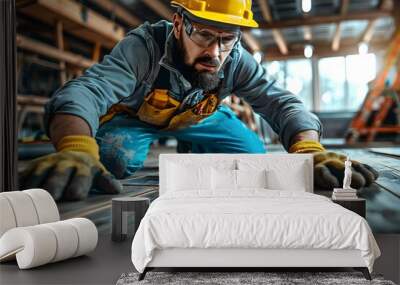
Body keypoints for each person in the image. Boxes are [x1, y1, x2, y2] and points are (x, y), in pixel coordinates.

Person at [19, 0, 378, 201]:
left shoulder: (235, 59)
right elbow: (85, 91)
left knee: (252, 160)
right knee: (113, 158)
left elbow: (280, 102)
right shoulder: (143, 48)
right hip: (137, 120)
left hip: (201, 117)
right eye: (204, 34)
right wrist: (77, 146)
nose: (215, 51)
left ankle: (198, 148)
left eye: (227, 39)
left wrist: (308, 150)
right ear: (178, 24)